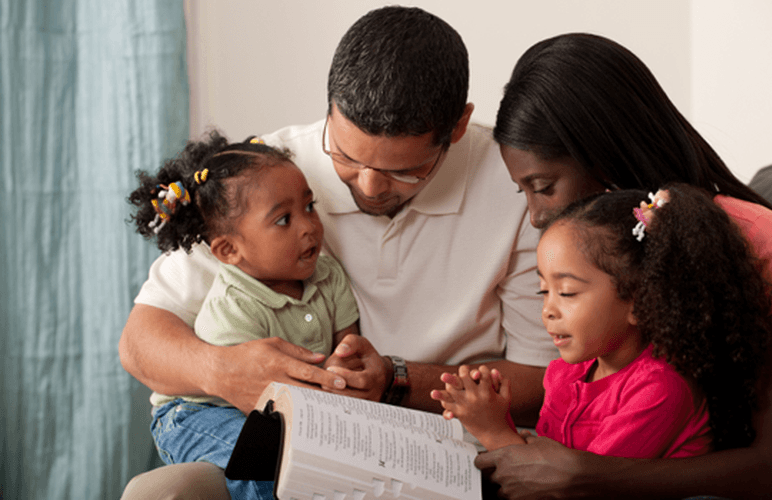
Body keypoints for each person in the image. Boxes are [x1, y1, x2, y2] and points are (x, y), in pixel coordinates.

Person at [119, 6, 552, 499]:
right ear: (329, 110)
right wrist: (224, 371)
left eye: (403, 171)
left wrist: (395, 380)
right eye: (346, 156)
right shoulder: (270, 176)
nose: (367, 186)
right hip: (307, 435)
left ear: (456, 128)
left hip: (439, 446)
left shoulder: (513, 185)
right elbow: (140, 341)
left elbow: (543, 383)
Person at [477, 32, 772, 499]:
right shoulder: (606, 263)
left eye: (544, 186)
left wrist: (585, 477)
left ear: (605, 153)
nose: (536, 215)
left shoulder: (770, 244)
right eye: (522, 191)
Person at [434, 186, 771, 459]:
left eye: (566, 293)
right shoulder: (566, 374)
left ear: (640, 301)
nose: (548, 310)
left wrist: (494, 432)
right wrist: (494, 413)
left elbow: (574, 488)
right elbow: (544, 461)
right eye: (543, 290)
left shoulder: (660, 390)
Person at [127, 131, 361, 498]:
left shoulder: (328, 276)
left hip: (272, 412)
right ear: (229, 250)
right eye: (284, 220)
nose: (308, 225)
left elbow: (349, 343)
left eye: (309, 206)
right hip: (196, 413)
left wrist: (347, 363)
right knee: (262, 465)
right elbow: (254, 399)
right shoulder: (233, 307)